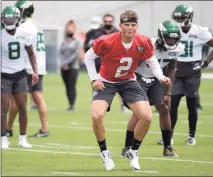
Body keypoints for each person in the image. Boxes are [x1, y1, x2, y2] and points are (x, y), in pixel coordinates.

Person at [84, 10, 171, 171]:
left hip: (128, 81)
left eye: (133, 25)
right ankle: (105, 152)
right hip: (106, 82)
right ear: (120, 26)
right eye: (126, 25)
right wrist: (94, 78)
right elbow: (88, 57)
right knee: (97, 115)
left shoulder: (143, 41)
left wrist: (160, 77)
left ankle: (133, 151)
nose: (130, 28)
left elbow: (151, 60)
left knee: (146, 116)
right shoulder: (106, 40)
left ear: (137, 26)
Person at [121, 20, 183, 157]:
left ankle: (167, 147)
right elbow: (132, 62)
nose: (172, 41)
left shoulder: (178, 49)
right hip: (139, 77)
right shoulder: (148, 44)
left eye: (174, 38)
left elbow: (172, 68)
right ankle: (127, 146)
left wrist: (169, 92)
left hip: (157, 79)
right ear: (161, 36)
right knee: (139, 113)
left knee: (164, 108)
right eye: (168, 37)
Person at [162, 4, 213, 145]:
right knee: (172, 104)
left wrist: (205, 63)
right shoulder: (174, 30)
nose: (179, 20)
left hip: (192, 71)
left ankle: (191, 136)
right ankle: (169, 135)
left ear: (189, 17)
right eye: (177, 17)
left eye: (182, 17)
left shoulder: (200, 31)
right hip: (176, 69)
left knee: (191, 105)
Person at [6, 0, 49, 138]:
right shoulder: (37, 24)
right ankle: (44, 128)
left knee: (16, 99)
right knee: (38, 96)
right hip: (39, 64)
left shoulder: (25, 27)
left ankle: (8, 127)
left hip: (29, 66)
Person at [1, 5, 39, 149]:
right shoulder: (1, 36)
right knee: (3, 107)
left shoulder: (23, 34)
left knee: (23, 107)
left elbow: (31, 53)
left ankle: (23, 138)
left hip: (20, 74)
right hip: (3, 75)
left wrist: (34, 71)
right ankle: (3, 138)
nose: (9, 21)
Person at [59, 20, 85, 111]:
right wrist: (63, 63)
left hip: (73, 67)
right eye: (68, 28)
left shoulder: (77, 41)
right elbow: (60, 53)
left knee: (71, 86)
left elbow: (77, 54)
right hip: (64, 67)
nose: (69, 30)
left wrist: (68, 64)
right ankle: (69, 103)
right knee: (66, 86)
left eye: (71, 28)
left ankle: (72, 104)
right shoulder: (64, 41)